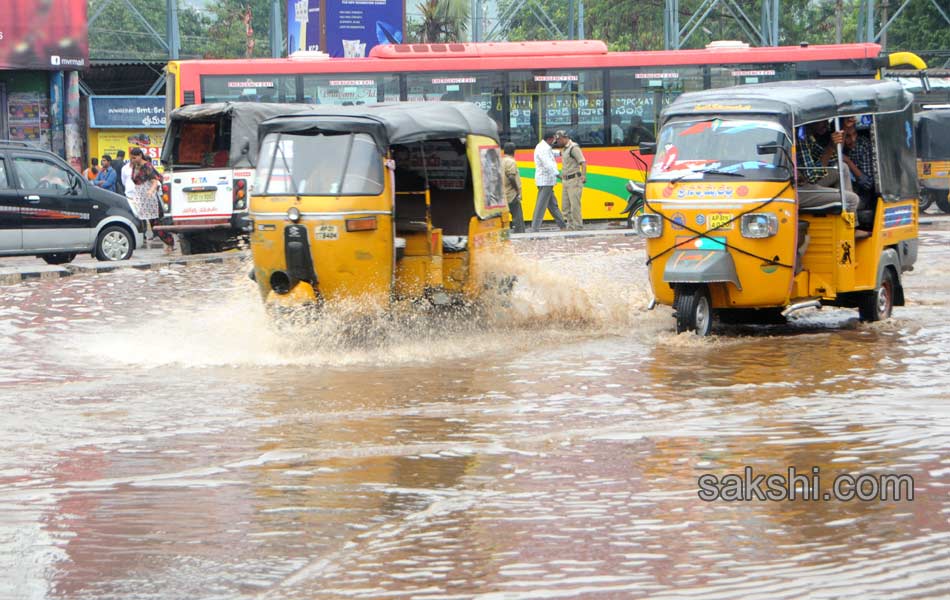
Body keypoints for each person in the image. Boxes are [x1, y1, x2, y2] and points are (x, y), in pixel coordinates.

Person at [796, 120, 859, 213]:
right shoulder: (799, 137)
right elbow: (812, 177)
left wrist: (844, 128)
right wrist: (830, 147)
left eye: (827, 121)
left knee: (842, 167)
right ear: (811, 121)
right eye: (822, 121)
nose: (826, 125)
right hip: (798, 190)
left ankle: (845, 217)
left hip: (807, 182)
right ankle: (848, 226)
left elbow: (833, 157)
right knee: (852, 200)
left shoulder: (807, 137)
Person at [129, 148, 175, 254]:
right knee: (150, 223)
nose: (133, 160)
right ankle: (168, 243)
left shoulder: (147, 166)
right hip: (141, 198)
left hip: (151, 199)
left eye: (134, 158)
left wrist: (150, 191)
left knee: (156, 225)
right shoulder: (135, 166)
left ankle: (170, 243)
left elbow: (155, 181)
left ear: (140, 155)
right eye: (131, 158)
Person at [530, 131, 566, 232]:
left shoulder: (544, 147)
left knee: (553, 205)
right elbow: (548, 164)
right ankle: (535, 228)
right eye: (554, 139)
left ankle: (563, 225)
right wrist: (559, 175)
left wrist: (559, 153)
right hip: (545, 181)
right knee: (541, 206)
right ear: (550, 139)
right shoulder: (543, 148)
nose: (555, 141)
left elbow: (551, 153)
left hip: (548, 181)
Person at [556, 130, 587, 231]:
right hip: (565, 181)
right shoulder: (564, 149)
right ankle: (570, 226)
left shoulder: (573, 148)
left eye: (559, 139)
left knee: (575, 206)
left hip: (574, 180)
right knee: (565, 207)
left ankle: (578, 227)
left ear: (564, 138)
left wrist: (583, 176)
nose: (557, 142)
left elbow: (583, 162)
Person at [502, 142, 524, 233]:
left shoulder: (501, 161)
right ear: (514, 151)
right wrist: (517, 190)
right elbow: (511, 177)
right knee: (518, 216)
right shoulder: (511, 162)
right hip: (511, 194)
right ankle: (520, 233)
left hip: (503, 194)